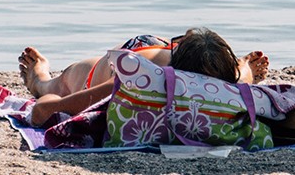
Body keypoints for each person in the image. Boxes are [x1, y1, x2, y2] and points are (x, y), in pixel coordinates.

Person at [18, 27, 271, 125]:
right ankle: (38, 73)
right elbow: (46, 112)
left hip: (175, 51)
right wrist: (46, 95)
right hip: (128, 58)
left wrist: (246, 65)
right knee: (56, 84)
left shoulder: (223, 80)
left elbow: (240, 79)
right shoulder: (135, 78)